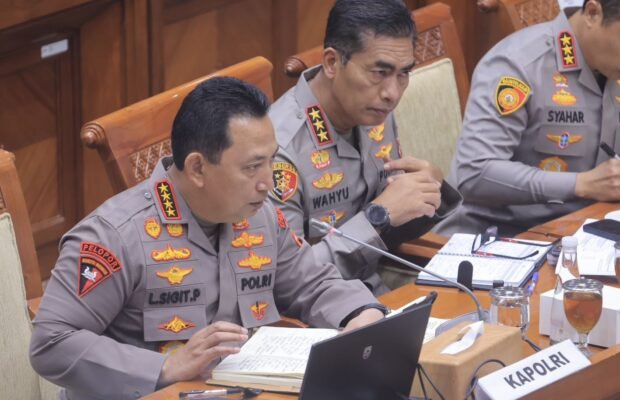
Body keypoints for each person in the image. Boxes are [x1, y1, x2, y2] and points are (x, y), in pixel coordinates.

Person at [30, 77, 385, 399]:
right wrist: (164, 367)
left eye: (270, 162)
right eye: (252, 167)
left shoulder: (258, 214)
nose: (268, 182)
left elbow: (312, 283)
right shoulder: (114, 236)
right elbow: (51, 342)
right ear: (198, 168)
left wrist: (359, 313)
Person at [435, 0, 620, 237]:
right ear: (593, 13)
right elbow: (474, 173)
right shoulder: (519, 65)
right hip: (497, 237)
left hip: (585, 231)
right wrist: (580, 184)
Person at [269, 0, 461, 294]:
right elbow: (286, 281)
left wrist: (429, 192)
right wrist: (377, 216)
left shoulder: (374, 110)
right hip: (315, 307)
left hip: (377, 288)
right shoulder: (279, 149)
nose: (392, 93)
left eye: (403, 73)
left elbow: (388, 234)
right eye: (379, 72)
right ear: (332, 63)